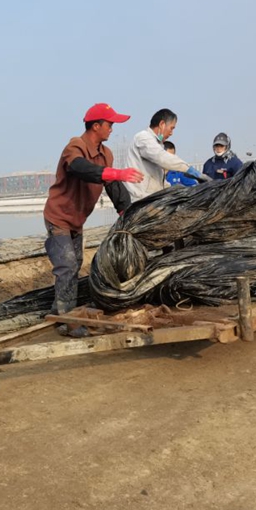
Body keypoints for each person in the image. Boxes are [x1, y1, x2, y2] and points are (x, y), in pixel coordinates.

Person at [43, 103, 143, 337]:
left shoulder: (106, 154)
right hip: (59, 216)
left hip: (77, 220)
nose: (112, 129)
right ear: (96, 126)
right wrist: (116, 172)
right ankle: (67, 321)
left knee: (75, 263)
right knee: (67, 264)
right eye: (109, 124)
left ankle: (58, 311)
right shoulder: (75, 146)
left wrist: (126, 213)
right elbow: (80, 168)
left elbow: (113, 186)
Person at [120, 108, 209, 200]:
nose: (171, 133)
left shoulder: (156, 143)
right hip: (139, 199)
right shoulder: (143, 138)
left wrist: (174, 189)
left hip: (150, 198)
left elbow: (157, 179)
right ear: (162, 124)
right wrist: (188, 169)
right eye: (171, 128)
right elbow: (162, 157)